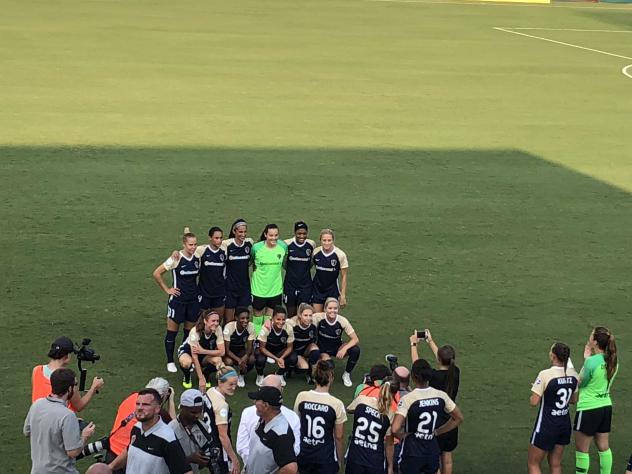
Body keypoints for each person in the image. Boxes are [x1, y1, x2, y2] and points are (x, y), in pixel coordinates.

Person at [391, 359, 464, 474]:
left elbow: (395, 428)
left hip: (413, 449)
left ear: (413, 377)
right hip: (431, 447)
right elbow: (458, 418)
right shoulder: (441, 395)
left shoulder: (408, 399)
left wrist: (403, 436)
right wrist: (438, 432)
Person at [24, 367, 96, 474]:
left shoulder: (37, 405)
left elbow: (27, 432)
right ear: (69, 389)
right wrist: (85, 436)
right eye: (75, 385)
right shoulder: (67, 415)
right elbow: (73, 452)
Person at [410, 329, 460, 474]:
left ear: (438, 359)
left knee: (434, 459)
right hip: (451, 421)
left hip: (436, 423)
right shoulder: (455, 373)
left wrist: (414, 345)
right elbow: (444, 359)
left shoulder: (434, 376)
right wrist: (430, 341)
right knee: (447, 457)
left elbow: (417, 366)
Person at [108, 388, 191, 474]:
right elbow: (129, 450)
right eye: (137, 404)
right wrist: (110, 467)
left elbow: (185, 471)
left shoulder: (167, 439)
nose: (139, 408)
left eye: (145, 405)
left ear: (157, 409)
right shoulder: (136, 428)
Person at [153, 232, 201, 373]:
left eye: (195, 244)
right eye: (190, 244)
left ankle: (184, 356)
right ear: (184, 244)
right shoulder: (176, 258)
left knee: (188, 332)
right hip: (178, 301)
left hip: (192, 301)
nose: (193, 247)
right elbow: (156, 273)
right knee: (172, 332)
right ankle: (170, 361)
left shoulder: (197, 256)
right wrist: (167, 289)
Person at [105, 377, 177, 471]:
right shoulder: (157, 414)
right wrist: (171, 400)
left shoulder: (132, 397)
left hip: (111, 449)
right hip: (128, 457)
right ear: (163, 397)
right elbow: (175, 427)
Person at [528, 342, 578, 474]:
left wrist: (539, 390)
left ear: (553, 356)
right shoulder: (574, 375)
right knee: (555, 464)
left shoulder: (545, 375)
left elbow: (533, 402)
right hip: (563, 424)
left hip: (546, 425)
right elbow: (573, 400)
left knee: (533, 463)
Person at [575, 326, 618, 474]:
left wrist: (587, 359)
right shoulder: (613, 361)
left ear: (594, 341)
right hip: (605, 406)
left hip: (588, 408)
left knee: (582, 451)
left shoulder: (591, 362)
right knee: (604, 447)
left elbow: (582, 383)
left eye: (591, 335)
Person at [294, 360, 347, 474]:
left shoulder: (301, 397)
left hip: (304, 454)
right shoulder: (336, 404)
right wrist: (340, 460)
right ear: (331, 378)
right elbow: (339, 436)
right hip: (325, 458)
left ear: (314, 378)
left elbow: (296, 425)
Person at [236, 375, 301, 465]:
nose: (254, 402)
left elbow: (242, 446)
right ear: (281, 390)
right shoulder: (292, 417)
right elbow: (295, 450)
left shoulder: (247, 413)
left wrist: (257, 465)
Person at [32, 336, 104, 412]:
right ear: (67, 356)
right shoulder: (68, 378)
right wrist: (94, 388)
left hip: (37, 419)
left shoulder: (36, 370)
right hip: (60, 421)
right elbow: (79, 406)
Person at [346, 376, 399, 474]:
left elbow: (349, 410)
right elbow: (389, 444)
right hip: (375, 461)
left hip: (355, 456)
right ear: (395, 394)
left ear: (380, 387)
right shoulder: (390, 414)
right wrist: (390, 466)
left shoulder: (362, 400)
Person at [246, 385, 299, 474]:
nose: (253, 402)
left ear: (266, 405)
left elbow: (291, 468)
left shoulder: (281, 435)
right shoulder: (264, 419)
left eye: (257, 400)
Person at [200, 366, 241, 474]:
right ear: (220, 382)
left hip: (210, 446)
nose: (234, 387)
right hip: (220, 450)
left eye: (235, 384)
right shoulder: (222, 405)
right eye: (230, 384)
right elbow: (223, 436)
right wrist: (234, 458)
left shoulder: (210, 391)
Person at [312, 297, 360, 387]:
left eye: (335, 308)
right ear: (325, 309)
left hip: (336, 348)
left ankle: (347, 374)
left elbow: (355, 339)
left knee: (355, 350)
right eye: (330, 308)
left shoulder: (342, 321)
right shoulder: (318, 317)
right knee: (330, 366)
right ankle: (316, 366)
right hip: (322, 350)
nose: (332, 311)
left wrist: (343, 349)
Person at [251, 223, 288, 334]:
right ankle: (257, 341)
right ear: (265, 235)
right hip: (259, 290)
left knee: (269, 319)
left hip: (275, 290)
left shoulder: (283, 246)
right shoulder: (256, 248)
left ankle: (265, 340)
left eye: (276, 235)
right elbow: (252, 262)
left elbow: (284, 263)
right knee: (258, 318)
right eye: (271, 235)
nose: (274, 238)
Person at [178, 309, 225, 390]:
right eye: (213, 321)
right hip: (188, 351)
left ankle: (206, 373)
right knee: (186, 363)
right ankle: (187, 376)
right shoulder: (195, 332)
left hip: (204, 353)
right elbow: (195, 357)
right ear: (205, 321)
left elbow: (222, 352)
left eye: (217, 321)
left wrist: (203, 351)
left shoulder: (218, 329)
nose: (216, 323)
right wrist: (201, 379)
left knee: (218, 361)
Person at [169, 389, 210, 474]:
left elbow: (200, 465)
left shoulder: (203, 427)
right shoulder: (170, 430)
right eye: (193, 412)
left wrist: (204, 461)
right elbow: (164, 462)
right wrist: (189, 459)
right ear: (182, 408)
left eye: (200, 411)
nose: (197, 415)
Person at [256, 306, 297, 387]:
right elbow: (262, 348)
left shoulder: (288, 328)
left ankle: (279, 374)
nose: (281, 322)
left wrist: (281, 357)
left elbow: (290, 347)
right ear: (272, 318)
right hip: (267, 350)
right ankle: (260, 375)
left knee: (293, 357)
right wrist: (276, 359)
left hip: (279, 351)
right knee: (259, 358)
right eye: (278, 319)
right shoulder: (266, 328)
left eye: (283, 319)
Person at [222, 218, 254, 324]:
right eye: (240, 232)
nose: (243, 234)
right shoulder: (227, 245)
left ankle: (239, 340)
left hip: (244, 287)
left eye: (245, 232)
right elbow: (209, 247)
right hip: (230, 287)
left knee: (243, 318)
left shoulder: (249, 244)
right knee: (229, 320)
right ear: (234, 231)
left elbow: (250, 261)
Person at [283, 221, 316, 317]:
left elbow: (311, 262)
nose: (302, 236)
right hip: (290, 284)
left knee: (304, 313)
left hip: (306, 285)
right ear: (294, 233)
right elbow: (284, 263)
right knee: (291, 313)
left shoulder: (311, 244)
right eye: (299, 233)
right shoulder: (287, 244)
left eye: (304, 233)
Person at [311, 229, 349, 311]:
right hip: (317, 290)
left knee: (331, 317)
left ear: (333, 240)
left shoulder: (340, 255)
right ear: (320, 240)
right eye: (324, 240)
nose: (326, 243)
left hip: (332, 291)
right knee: (317, 318)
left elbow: (344, 276)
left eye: (329, 240)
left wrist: (343, 295)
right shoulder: (315, 252)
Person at [194, 226, 227, 319]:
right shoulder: (202, 250)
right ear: (210, 238)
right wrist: (176, 252)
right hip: (204, 293)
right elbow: (188, 251)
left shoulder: (224, 252)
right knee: (201, 321)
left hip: (219, 292)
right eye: (216, 238)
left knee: (217, 321)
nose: (219, 240)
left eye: (221, 238)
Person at [222, 306, 256, 388]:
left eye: (247, 318)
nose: (245, 321)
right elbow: (226, 350)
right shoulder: (229, 327)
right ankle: (230, 376)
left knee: (251, 359)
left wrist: (245, 357)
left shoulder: (251, 326)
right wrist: (239, 360)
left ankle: (241, 375)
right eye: (242, 318)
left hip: (240, 350)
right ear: (236, 317)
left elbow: (249, 347)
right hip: (229, 352)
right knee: (228, 362)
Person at [287, 303, 321, 384]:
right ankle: (288, 369)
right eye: (305, 315)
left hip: (305, 350)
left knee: (315, 350)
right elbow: (278, 322)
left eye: (310, 315)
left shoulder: (314, 321)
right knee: (302, 368)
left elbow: (327, 314)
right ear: (299, 315)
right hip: (293, 351)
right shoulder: (291, 324)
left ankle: (311, 374)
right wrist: (268, 321)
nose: (308, 318)